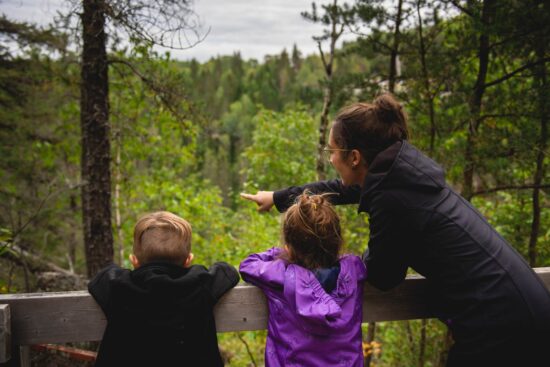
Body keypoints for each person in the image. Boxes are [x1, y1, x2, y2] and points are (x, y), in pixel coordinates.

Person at [241, 93, 550, 366]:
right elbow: (342, 188)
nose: (331, 158)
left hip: (501, 326)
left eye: (332, 150)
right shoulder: (399, 173)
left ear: (355, 157)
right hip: (519, 310)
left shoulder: (393, 198)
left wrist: (343, 266)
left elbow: (384, 275)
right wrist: (278, 198)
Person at [88, 211, 239, 367]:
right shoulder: (200, 284)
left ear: (134, 261)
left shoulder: (118, 287)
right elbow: (228, 271)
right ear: (188, 260)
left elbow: (101, 278)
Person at [239, 192, 367, 367]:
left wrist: (280, 252)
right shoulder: (354, 270)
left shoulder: (280, 276)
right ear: (336, 241)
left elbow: (247, 265)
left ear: (290, 246)